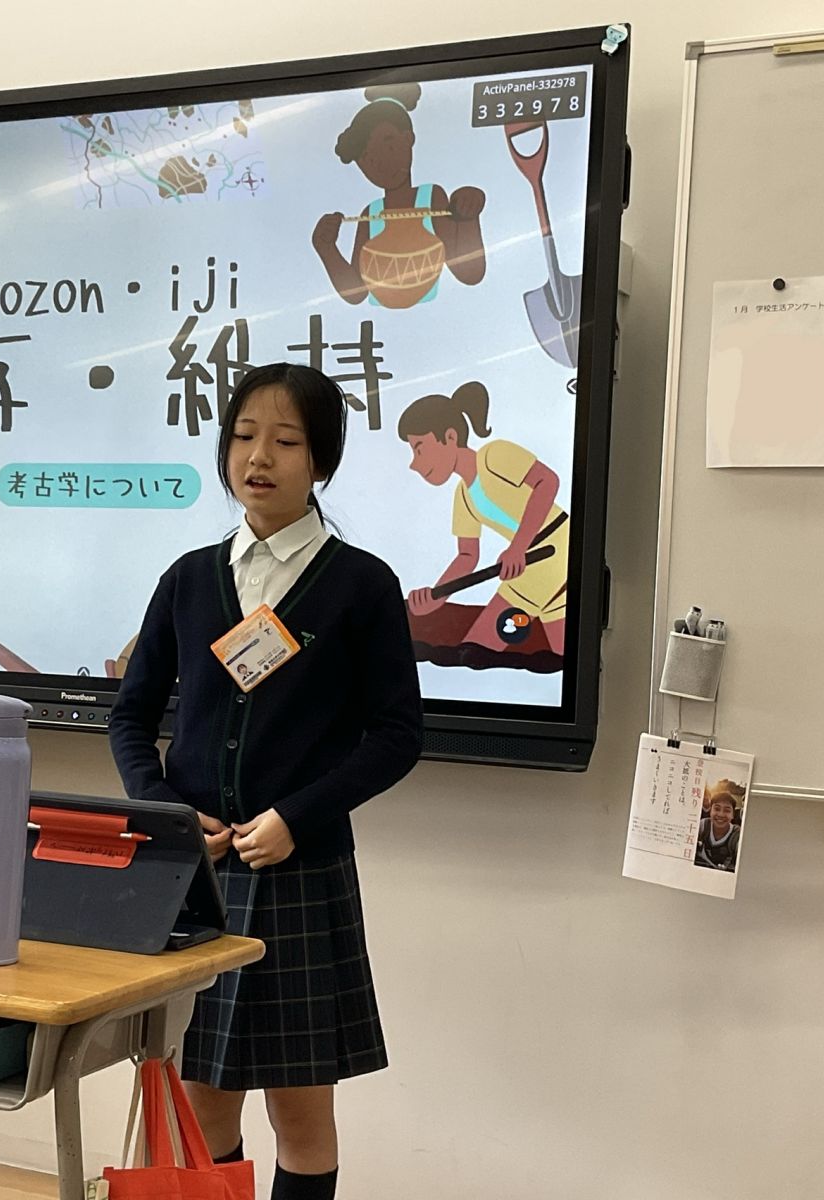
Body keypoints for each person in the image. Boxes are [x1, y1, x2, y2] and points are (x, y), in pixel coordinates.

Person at [110, 362, 422, 1200]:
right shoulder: (188, 578)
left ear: (321, 460)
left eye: (285, 441)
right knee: (204, 1103)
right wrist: (171, 814)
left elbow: (398, 736)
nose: (259, 457)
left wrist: (298, 816)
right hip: (199, 880)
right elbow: (130, 718)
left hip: (301, 872)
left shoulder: (361, 585)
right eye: (244, 436)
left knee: (302, 1115)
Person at [401, 382, 570, 655]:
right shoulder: (463, 496)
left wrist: (518, 548)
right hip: (530, 566)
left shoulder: (494, 455)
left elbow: (547, 482)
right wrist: (437, 596)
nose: (414, 463)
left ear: (450, 437)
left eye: (419, 448)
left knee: (476, 651)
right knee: (564, 656)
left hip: (553, 550)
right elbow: (467, 556)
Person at [313, 83, 486, 307]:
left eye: (388, 144)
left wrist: (468, 216)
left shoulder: (430, 198)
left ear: (408, 139)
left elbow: (469, 272)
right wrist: (327, 248)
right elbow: (356, 292)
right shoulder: (371, 214)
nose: (381, 162)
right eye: (367, 158)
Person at [694, 780, 745, 872]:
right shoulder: (703, 826)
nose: (721, 814)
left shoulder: (737, 836)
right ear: (710, 811)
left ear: (733, 815)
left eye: (727, 810)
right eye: (717, 809)